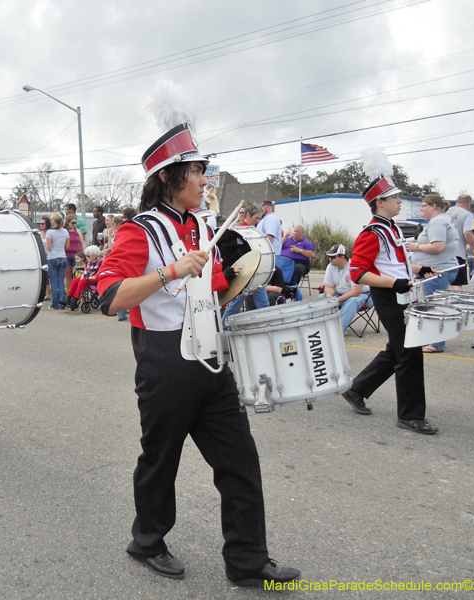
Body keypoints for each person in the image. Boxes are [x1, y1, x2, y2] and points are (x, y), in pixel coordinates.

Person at [97, 119, 299, 587]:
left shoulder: (202, 226)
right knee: (160, 458)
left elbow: (214, 288)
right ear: (170, 178)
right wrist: (168, 273)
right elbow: (109, 296)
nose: (206, 180)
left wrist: (242, 276)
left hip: (212, 355)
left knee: (240, 460)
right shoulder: (138, 231)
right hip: (165, 360)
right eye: (198, 171)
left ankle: (248, 561)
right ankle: (146, 541)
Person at [341, 150, 439, 435]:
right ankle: (410, 416)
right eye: (395, 198)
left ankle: (357, 390)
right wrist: (393, 284)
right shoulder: (371, 232)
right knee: (409, 353)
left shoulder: (391, 227)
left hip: (402, 293)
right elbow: (357, 273)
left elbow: (397, 263)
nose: (400, 201)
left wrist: (418, 269)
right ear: (379, 202)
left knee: (396, 349)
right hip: (389, 296)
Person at [406, 194, 459, 353]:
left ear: (433, 206)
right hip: (439, 269)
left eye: (423, 205)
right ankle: (433, 340)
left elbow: (437, 247)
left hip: (436, 271)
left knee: (434, 307)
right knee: (433, 306)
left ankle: (436, 343)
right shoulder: (442, 220)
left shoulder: (438, 222)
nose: (421, 209)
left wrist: (416, 246)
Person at [222, 203, 268, 326]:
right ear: (248, 215)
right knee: (234, 307)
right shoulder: (238, 232)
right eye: (256, 218)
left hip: (254, 273)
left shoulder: (252, 231)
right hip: (243, 273)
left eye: (260, 218)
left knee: (264, 305)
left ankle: (267, 328)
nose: (258, 221)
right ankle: (222, 330)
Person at [321, 244, 373, 332]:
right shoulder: (330, 266)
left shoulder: (355, 266)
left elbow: (356, 292)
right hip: (341, 295)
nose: (330, 259)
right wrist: (329, 297)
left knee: (352, 301)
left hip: (364, 296)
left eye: (333, 257)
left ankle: (338, 331)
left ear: (342, 257)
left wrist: (337, 300)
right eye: (329, 257)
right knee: (321, 299)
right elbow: (329, 287)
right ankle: (321, 329)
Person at [447, 194, 474, 290]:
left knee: (440, 281)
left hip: (441, 252)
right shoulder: (467, 214)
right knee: (456, 283)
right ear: (468, 203)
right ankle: (457, 304)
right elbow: (468, 233)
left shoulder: (445, 212)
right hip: (457, 253)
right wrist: (473, 248)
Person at [65, 245, 102, 310]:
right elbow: (85, 271)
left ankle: (75, 300)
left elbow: (99, 273)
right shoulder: (88, 262)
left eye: (88, 256)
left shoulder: (101, 261)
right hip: (89, 277)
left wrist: (88, 277)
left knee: (83, 281)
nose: (86, 257)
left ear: (94, 256)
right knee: (75, 280)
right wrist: (83, 276)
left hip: (96, 278)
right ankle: (68, 298)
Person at [46, 212, 69, 310]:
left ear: (54, 221)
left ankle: (54, 304)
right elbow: (67, 246)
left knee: (54, 282)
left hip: (52, 258)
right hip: (62, 257)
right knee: (61, 281)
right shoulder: (65, 232)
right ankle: (61, 303)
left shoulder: (50, 232)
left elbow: (48, 247)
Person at [64, 215, 86, 292]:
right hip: (66, 255)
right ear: (68, 222)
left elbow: (82, 243)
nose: (74, 225)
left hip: (76, 256)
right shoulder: (64, 231)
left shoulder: (77, 231)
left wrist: (84, 253)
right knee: (68, 275)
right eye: (72, 223)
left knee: (76, 274)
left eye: (75, 223)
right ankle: (69, 291)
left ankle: (76, 292)